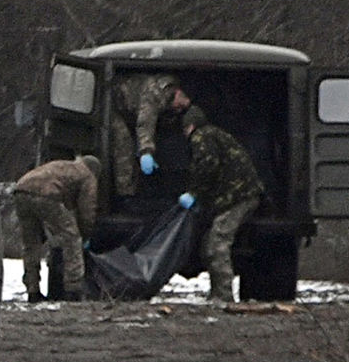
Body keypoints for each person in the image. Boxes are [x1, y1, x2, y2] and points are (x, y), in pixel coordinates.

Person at [179, 103, 264, 304]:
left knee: (217, 243)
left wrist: (193, 193)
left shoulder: (202, 136)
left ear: (190, 126)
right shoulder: (215, 134)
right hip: (240, 196)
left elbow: (207, 166)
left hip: (239, 198)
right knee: (210, 243)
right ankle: (218, 293)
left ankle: (224, 296)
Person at [14, 154, 101, 302]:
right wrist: (85, 234)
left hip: (20, 190)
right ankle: (73, 291)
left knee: (31, 245)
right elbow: (87, 210)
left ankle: (33, 291)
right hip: (46, 195)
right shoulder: (87, 175)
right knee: (72, 239)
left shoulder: (65, 165)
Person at [110, 73, 187, 196]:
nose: (179, 108)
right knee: (124, 146)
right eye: (181, 104)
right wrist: (146, 151)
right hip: (113, 106)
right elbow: (146, 121)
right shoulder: (155, 91)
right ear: (179, 92)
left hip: (131, 113)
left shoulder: (171, 103)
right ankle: (124, 196)